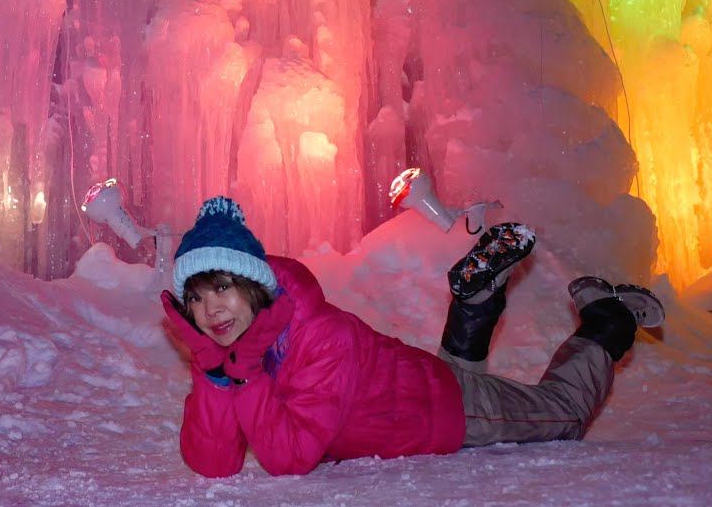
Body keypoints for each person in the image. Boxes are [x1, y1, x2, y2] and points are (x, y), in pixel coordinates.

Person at [161, 196, 663, 477]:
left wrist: (243, 377)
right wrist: (213, 374)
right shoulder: (234, 349)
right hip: (419, 386)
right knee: (461, 376)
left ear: (253, 284)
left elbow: (290, 458)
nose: (210, 309)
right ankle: (476, 301)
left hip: (440, 412)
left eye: (222, 286)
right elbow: (214, 463)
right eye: (197, 298)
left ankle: (607, 317)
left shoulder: (319, 336)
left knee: (565, 415)